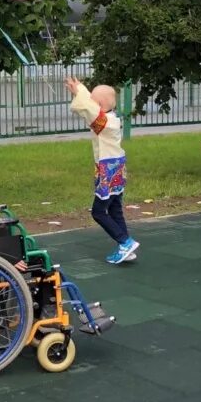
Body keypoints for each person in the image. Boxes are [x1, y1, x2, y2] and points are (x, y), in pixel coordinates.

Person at [65, 76, 138, 264]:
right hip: (116, 168)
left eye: (94, 101)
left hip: (109, 170)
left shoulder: (106, 122)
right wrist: (80, 90)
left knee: (98, 212)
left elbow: (89, 109)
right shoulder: (109, 119)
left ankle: (125, 241)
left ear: (100, 104)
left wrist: (80, 90)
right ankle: (126, 247)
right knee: (115, 209)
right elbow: (90, 109)